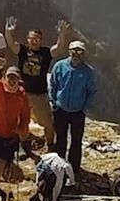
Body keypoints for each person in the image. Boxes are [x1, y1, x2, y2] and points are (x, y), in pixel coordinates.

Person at [4, 17, 74, 150]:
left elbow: (58, 49)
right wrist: (8, 33)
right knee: (21, 121)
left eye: (37, 38)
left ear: (41, 41)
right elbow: (12, 45)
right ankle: (24, 145)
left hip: (39, 94)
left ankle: (51, 146)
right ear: (27, 39)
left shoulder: (46, 53)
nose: (34, 41)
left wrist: (62, 35)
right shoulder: (23, 50)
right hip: (22, 93)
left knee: (47, 123)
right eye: (32, 38)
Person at [0, 61, 30, 198]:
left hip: (10, 133)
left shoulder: (21, 95)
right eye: (10, 77)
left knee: (1, 162)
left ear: (18, 79)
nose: (12, 80)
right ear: (5, 77)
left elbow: (25, 114)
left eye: (15, 78)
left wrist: (22, 129)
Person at [49, 40, 97, 174]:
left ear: (83, 53)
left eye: (79, 51)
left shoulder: (88, 72)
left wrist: (84, 108)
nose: (76, 53)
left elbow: (91, 91)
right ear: (69, 51)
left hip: (77, 112)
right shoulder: (59, 66)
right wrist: (53, 101)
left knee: (76, 141)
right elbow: (52, 84)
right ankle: (59, 166)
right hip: (60, 109)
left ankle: (73, 169)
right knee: (60, 139)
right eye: (74, 50)